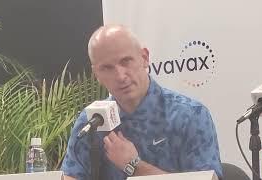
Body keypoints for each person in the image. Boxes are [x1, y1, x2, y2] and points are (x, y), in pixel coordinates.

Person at [61, 24, 223, 180]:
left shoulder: (190, 115)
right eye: (107, 68)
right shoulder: (91, 122)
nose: (120, 76)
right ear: (96, 73)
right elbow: (72, 175)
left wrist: (133, 165)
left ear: (144, 58)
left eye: (126, 61)